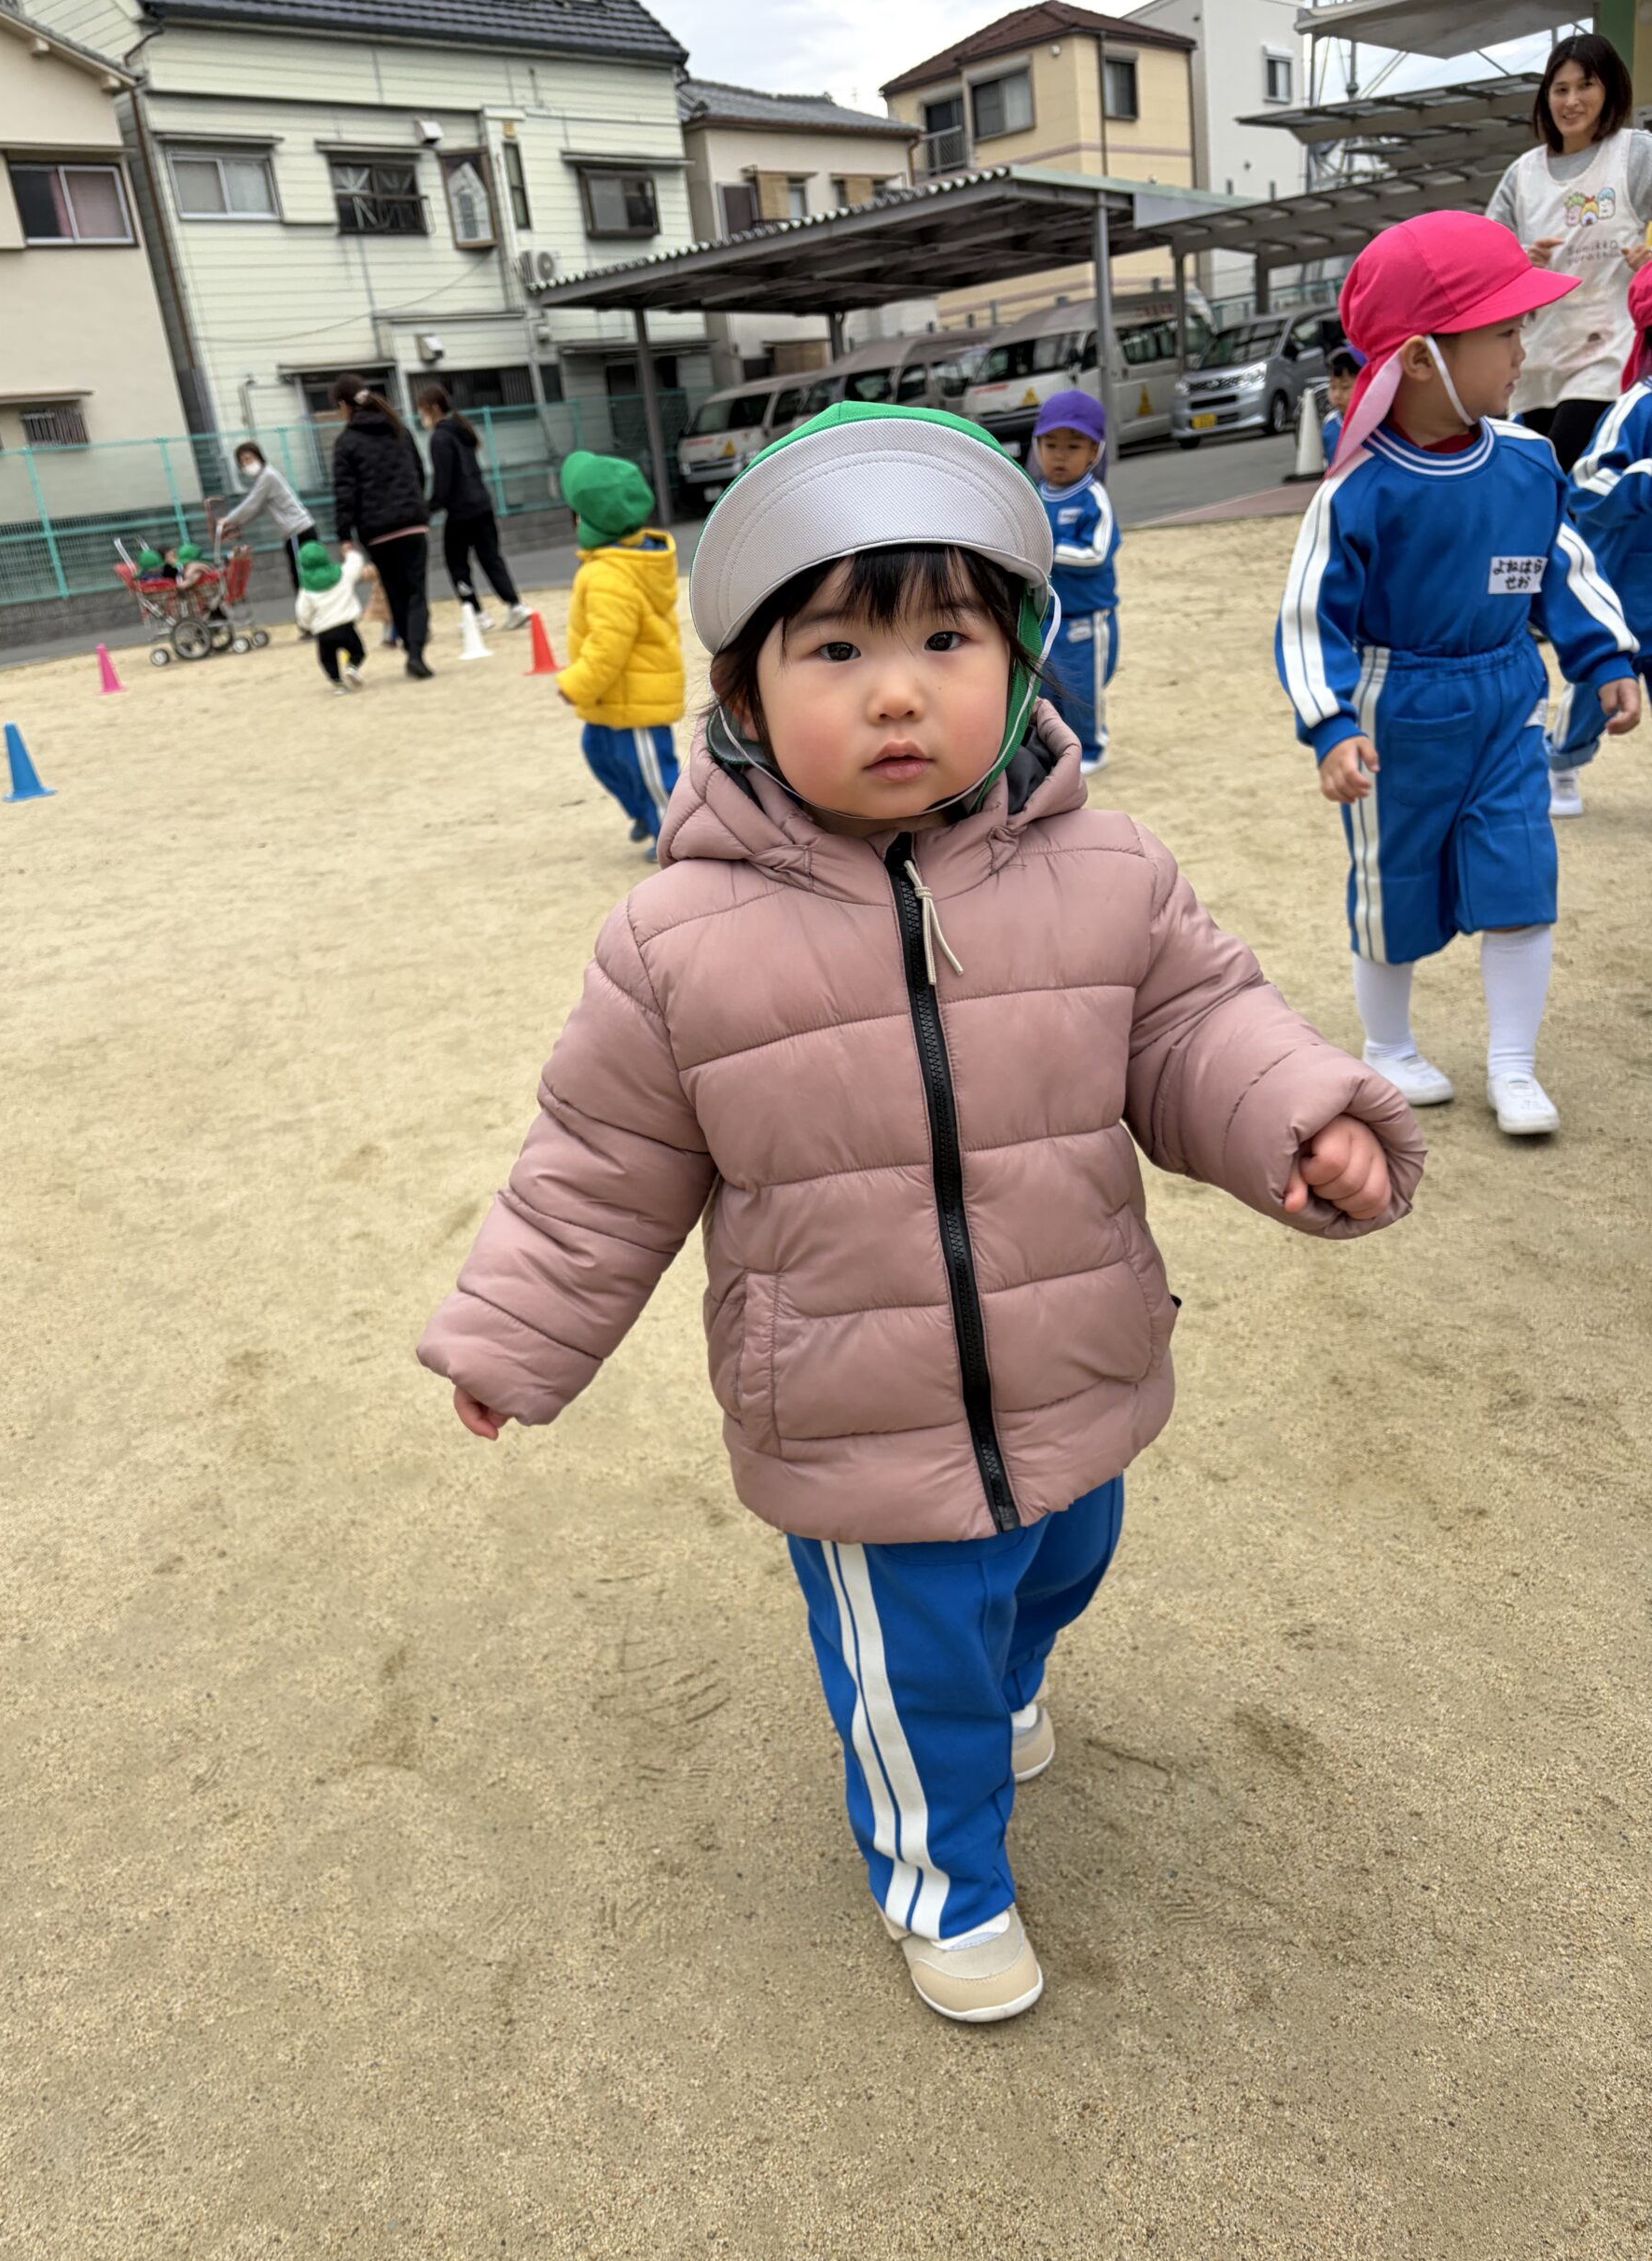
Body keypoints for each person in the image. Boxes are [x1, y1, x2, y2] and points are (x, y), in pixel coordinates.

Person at [418, 402, 1425, 2026]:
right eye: (835, 650)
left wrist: (1305, 1118)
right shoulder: (676, 942)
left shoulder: (1109, 873)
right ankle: (944, 1881)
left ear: (1018, 661)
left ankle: (1012, 1680)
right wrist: (515, 1337)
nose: (897, 691)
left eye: (946, 639)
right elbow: (597, 1164)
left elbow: (1199, 1032)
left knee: (1060, 1564)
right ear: (744, 691)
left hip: (1074, 1350)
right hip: (847, 1398)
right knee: (912, 1665)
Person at [1276, 212, 1642, 1143]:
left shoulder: (1527, 462)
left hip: (1508, 700)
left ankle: (1513, 1063)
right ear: (1421, 357)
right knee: (1394, 886)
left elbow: (1563, 564)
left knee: (1521, 875)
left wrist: (1604, 657)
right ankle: (1388, 1045)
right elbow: (1311, 615)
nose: (1524, 349)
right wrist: (1331, 724)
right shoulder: (1358, 489)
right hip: (1396, 714)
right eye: (1505, 330)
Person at [1487, 32, 1652, 469]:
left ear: (1610, 89)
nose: (1572, 101)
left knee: (1562, 470)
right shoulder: (1522, 175)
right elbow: (1484, 265)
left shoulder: (1635, 154)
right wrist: (1519, 262)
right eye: (1560, 89)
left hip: (1610, 356)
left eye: (1586, 86)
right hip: (1536, 364)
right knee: (1541, 482)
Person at [1547, 259, 1652, 818]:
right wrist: (1642, 483)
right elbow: (1585, 483)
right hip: (1619, 591)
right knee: (1596, 691)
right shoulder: (1637, 406)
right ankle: (1560, 762)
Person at [552, 450, 684, 859]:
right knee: (599, 753)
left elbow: (609, 645)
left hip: (636, 699)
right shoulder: (612, 562)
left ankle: (675, 836)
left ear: (586, 520)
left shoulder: (610, 574)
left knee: (653, 771)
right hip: (613, 696)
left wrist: (577, 683)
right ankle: (644, 811)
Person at [1028, 390, 1119, 772]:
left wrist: (1045, 548)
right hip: (1043, 616)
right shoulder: (1034, 495)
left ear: (1094, 452)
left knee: (1081, 687)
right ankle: (1054, 749)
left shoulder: (1092, 498)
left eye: (1073, 446)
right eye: (1050, 445)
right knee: (1045, 686)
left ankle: (1092, 749)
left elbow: (1096, 552)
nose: (1060, 456)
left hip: (1085, 617)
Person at [329, 374, 433, 679]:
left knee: (395, 591)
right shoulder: (400, 429)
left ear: (343, 405)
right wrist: (416, 505)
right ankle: (416, 654)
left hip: (376, 530)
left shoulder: (346, 442)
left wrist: (344, 534)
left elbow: (345, 491)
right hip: (411, 523)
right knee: (416, 591)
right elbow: (419, 472)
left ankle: (409, 648)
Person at [417, 384, 532, 631]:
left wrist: (427, 509)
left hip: (461, 511)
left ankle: (475, 612)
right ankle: (515, 605)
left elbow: (444, 482)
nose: (420, 415)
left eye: (422, 409)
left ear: (433, 408)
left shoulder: (440, 438)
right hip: (481, 504)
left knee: (456, 563)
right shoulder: (461, 431)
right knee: (491, 558)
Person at [218, 441, 316, 589]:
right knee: (304, 575)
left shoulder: (268, 476)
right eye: (242, 462)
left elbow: (252, 503)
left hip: (298, 531)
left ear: (259, 457)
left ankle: (310, 604)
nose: (246, 464)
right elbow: (258, 508)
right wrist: (235, 524)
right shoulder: (266, 477)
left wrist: (228, 520)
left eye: (249, 459)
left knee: (303, 577)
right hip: (298, 531)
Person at [292, 539, 373, 693]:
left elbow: (303, 611)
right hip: (346, 626)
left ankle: (338, 683)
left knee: (327, 659)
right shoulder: (342, 574)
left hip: (323, 631)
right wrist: (349, 552)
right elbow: (355, 564)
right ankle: (352, 667)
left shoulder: (306, 588)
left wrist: (305, 625)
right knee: (358, 651)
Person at [1322, 346, 1361, 467]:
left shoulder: (1377, 422)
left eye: (1345, 387)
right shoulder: (1330, 423)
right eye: (1332, 387)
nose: (1337, 395)